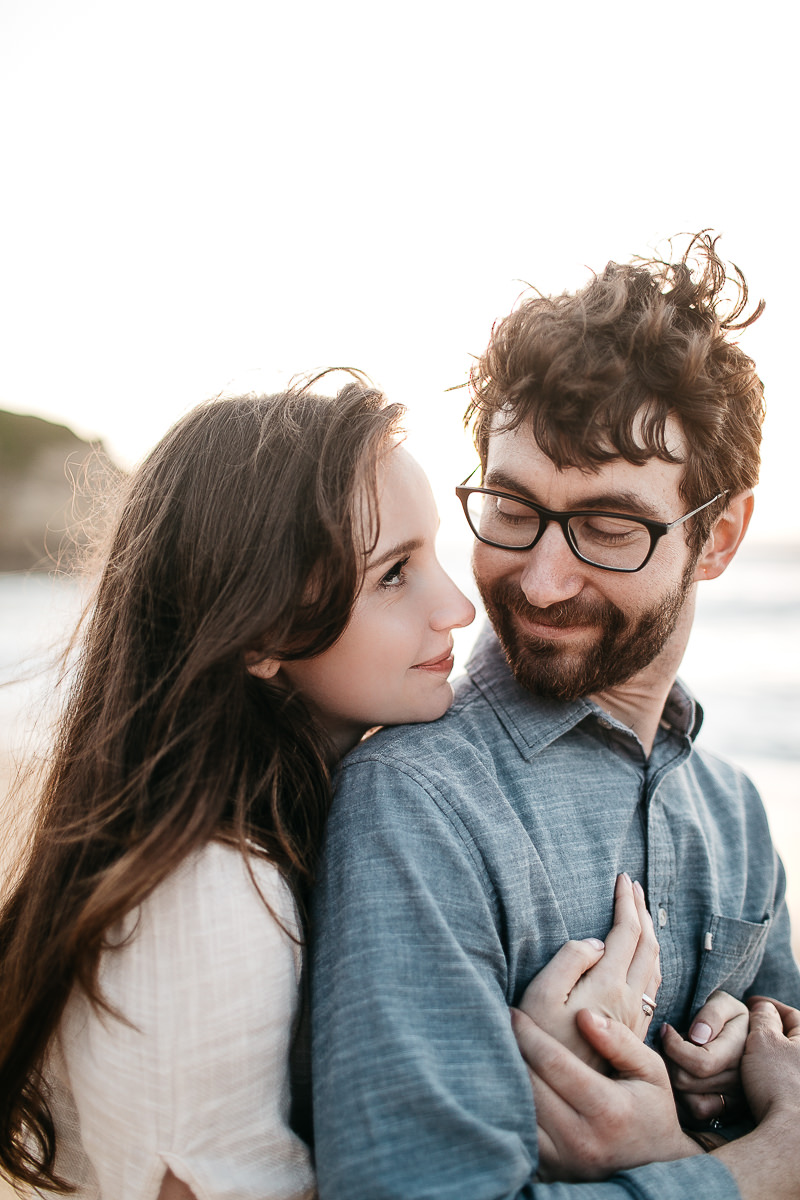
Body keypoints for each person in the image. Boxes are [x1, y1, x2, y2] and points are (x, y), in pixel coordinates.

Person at [310, 234, 800, 1198]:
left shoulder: (737, 813)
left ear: (720, 538)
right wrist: (755, 1171)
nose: (540, 578)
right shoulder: (414, 804)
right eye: (512, 507)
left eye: (610, 529)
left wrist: (701, 1115)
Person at [0, 376, 476, 1199]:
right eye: (395, 574)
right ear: (261, 633)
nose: (459, 607)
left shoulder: (261, 833)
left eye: (435, 553)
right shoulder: (212, 895)